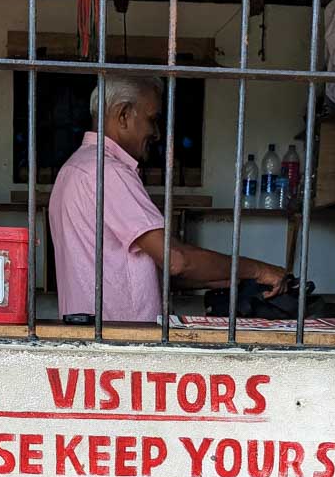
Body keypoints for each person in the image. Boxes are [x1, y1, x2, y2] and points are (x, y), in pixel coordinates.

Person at [49, 75, 287, 322]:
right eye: (152, 120)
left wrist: (241, 276)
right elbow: (176, 260)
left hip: (95, 336)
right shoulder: (107, 172)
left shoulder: (75, 167)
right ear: (123, 115)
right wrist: (259, 270)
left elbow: (160, 267)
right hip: (124, 341)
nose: (157, 133)